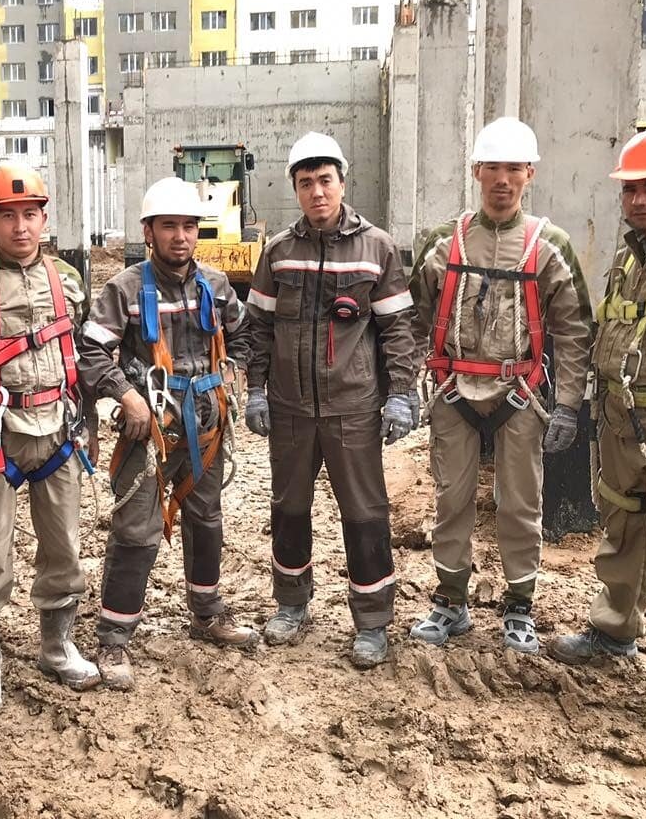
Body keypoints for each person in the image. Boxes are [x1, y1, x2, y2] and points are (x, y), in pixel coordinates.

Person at [409, 117, 591, 654]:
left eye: (514, 169)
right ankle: (451, 600)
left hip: (520, 393)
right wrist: (402, 387)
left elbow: (574, 329)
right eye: (493, 168)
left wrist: (568, 405)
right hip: (453, 390)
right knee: (451, 499)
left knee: (520, 503)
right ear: (476, 172)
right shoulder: (444, 243)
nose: (503, 180)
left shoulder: (548, 245)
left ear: (530, 173)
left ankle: (519, 606)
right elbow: (412, 319)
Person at [245, 131, 416, 668]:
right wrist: (254, 390)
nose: (316, 192)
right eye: (305, 183)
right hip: (291, 408)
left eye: (325, 180)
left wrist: (401, 394)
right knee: (289, 509)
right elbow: (257, 328)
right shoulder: (278, 252)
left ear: (343, 182)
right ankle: (292, 604)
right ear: (295, 189)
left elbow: (397, 330)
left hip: (353, 407)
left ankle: (373, 621)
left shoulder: (378, 248)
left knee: (365, 514)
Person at [77, 175, 255, 691]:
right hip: (150, 427)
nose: (180, 236)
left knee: (206, 518)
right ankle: (114, 637)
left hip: (206, 425)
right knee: (136, 530)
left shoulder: (215, 286)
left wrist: (235, 373)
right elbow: (90, 351)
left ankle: (207, 612)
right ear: (148, 231)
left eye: (188, 226)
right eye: (169, 226)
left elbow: (245, 333)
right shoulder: (126, 289)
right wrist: (125, 394)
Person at [0, 163, 99, 710]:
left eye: (31, 214)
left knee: (64, 544)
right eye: (9, 216)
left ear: (44, 218)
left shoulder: (68, 280)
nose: (21, 227)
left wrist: (89, 424)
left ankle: (57, 645)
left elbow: (83, 355)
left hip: (58, 429)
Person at [551, 131, 646, 664]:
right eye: (630, 190)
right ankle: (615, 630)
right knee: (624, 520)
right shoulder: (629, 259)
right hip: (621, 414)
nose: (638, 200)